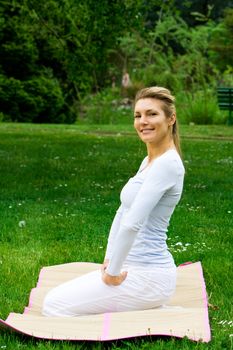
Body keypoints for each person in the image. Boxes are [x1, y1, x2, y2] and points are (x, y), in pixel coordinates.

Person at [42, 86, 185, 317]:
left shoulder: (167, 164)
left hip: (149, 275)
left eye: (152, 114)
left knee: (53, 306)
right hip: (129, 268)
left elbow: (132, 223)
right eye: (138, 116)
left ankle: (136, 313)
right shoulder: (149, 161)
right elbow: (123, 211)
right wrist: (110, 259)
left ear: (171, 118)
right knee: (57, 297)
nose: (143, 121)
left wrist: (114, 272)